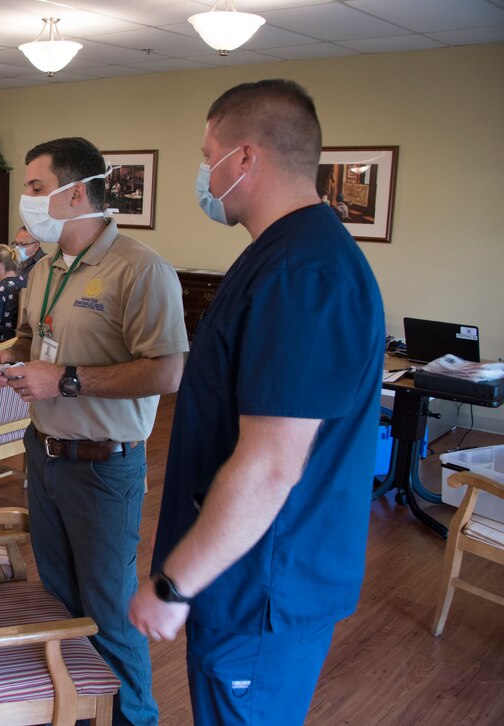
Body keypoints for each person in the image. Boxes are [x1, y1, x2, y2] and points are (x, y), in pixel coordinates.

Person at [129, 80, 385, 724]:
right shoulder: (277, 257)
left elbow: (272, 463)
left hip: (261, 586)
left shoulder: (305, 275)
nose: (203, 169)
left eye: (207, 152)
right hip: (239, 579)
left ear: (243, 158)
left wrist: (174, 581)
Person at [0, 137, 188, 725]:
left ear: (76, 194)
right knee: (62, 599)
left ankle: (134, 718)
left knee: (110, 609)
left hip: (102, 464)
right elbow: (32, 339)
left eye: (36, 188)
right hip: (42, 454)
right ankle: (82, 711)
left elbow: (167, 372)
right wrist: (6, 355)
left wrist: (65, 381)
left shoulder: (140, 269)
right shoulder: (44, 267)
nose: (26, 200)